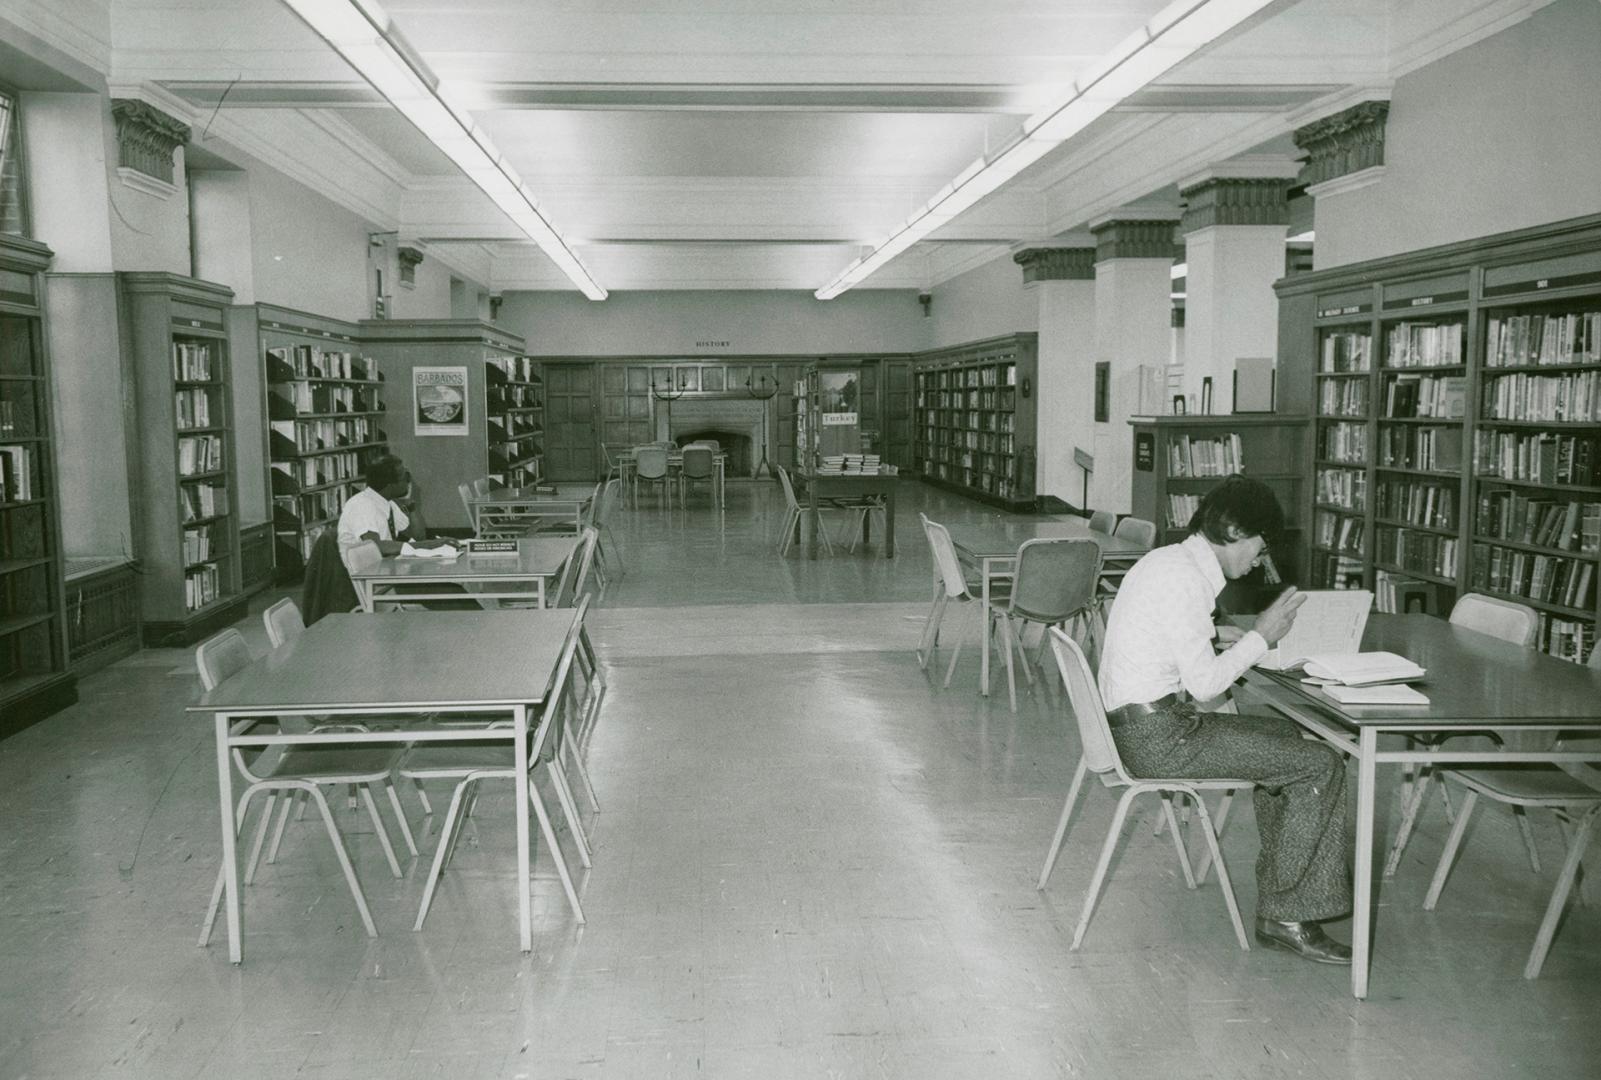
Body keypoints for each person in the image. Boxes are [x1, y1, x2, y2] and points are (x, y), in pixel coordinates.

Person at [1097, 475, 1352, 965]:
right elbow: (1206, 687)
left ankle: (1285, 893)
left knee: (1285, 737)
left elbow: (1174, 644)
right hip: (1158, 738)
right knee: (1320, 764)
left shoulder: (1169, 562)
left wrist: (1224, 641)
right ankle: (1289, 914)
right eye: (1260, 544)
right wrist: (1260, 636)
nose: (1261, 558)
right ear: (1235, 530)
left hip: (1142, 724)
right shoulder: (1186, 579)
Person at [336, 454, 452, 568]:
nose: (409, 482)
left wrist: (411, 506)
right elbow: (375, 546)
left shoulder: (386, 502)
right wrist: (428, 545)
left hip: (385, 570)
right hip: (369, 578)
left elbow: (418, 536)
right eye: (405, 478)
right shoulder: (362, 505)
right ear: (390, 485)